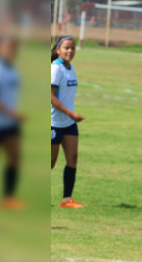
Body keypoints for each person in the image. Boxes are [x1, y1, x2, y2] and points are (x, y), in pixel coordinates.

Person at [0, 36, 25, 209]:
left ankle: (8, 198)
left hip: (9, 124)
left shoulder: (12, 69)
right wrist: (12, 113)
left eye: (13, 48)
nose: (11, 51)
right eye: (8, 48)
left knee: (15, 158)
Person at [50, 36, 85, 209]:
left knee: (72, 160)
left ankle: (67, 200)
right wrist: (71, 113)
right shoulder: (55, 69)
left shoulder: (70, 68)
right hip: (53, 123)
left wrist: (70, 116)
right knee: (49, 163)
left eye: (72, 48)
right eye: (66, 48)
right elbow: (50, 96)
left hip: (68, 124)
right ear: (58, 50)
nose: (70, 51)